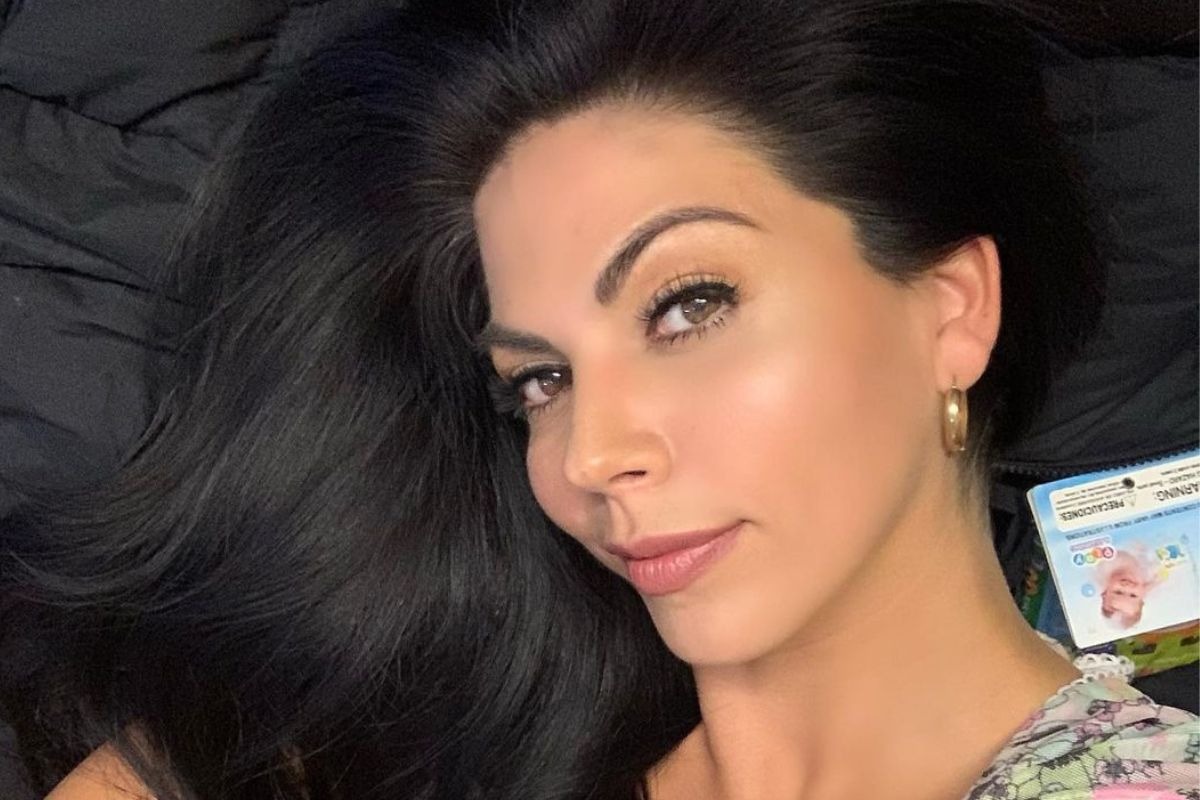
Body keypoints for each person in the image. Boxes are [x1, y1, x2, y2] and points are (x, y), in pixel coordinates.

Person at [6, 1, 1198, 799]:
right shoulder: (477, 711)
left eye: (688, 305)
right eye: (542, 379)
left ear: (951, 310)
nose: (589, 451)